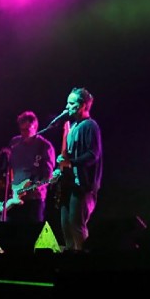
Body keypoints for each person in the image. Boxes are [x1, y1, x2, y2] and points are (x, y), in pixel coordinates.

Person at [56, 87, 103, 252]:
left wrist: (71, 162)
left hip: (83, 186)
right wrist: (61, 163)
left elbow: (93, 154)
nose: (67, 106)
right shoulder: (72, 127)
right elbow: (68, 156)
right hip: (69, 185)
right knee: (66, 224)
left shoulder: (90, 125)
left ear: (82, 105)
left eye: (71, 103)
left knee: (76, 224)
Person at [2, 110, 56, 224]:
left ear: (35, 128)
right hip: (14, 198)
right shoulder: (15, 143)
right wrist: (12, 185)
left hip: (34, 200)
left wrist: (32, 186)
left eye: (27, 129)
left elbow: (48, 177)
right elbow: (10, 168)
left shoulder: (45, 146)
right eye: (22, 130)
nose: (24, 133)